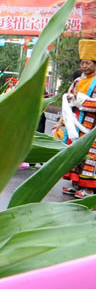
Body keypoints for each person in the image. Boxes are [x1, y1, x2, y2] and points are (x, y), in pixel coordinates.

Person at [56, 39, 96, 198]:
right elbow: (68, 97)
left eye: (88, 63)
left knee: (89, 157)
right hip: (75, 125)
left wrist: (80, 101)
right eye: (82, 63)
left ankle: (89, 188)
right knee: (75, 155)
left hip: (91, 127)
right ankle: (76, 183)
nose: (84, 66)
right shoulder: (77, 81)